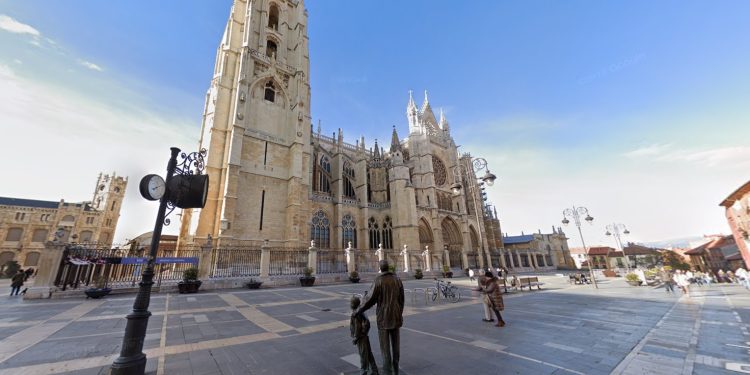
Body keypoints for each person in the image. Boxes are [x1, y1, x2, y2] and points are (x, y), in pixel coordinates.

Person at [354, 260, 404, 375]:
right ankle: (396, 370)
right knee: (396, 347)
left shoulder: (379, 281)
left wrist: (358, 310)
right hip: (396, 316)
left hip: (383, 318)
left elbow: (369, 300)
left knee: (385, 348)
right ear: (388, 267)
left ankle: (387, 372)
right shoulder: (397, 279)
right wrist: (399, 314)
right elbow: (401, 300)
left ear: (380, 269)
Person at [350, 296, 379, 375]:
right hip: (364, 336)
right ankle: (374, 370)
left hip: (361, 338)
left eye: (351, 303)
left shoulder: (355, 314)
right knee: (369, 353)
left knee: (363, 355)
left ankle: (364, 371)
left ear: (353, 304)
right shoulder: (361, 312)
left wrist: (356, 338)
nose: (350, 304)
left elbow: (357, 327)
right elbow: (366, 323)